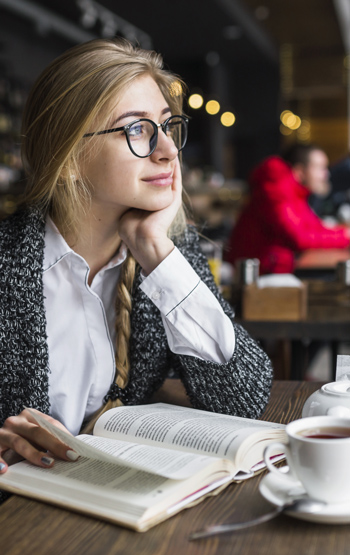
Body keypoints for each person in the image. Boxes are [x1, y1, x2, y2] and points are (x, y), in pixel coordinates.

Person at [0, 39, 273, 488]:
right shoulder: (11, 263)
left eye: (167, 126)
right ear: (68, 158)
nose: (168, 150)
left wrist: (155, 250)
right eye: (137, 130)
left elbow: (243, 397)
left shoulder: (168, 253)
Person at [225, 144, 350, 275]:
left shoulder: (294, 191)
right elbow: (298, 239)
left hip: (275, 268)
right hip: (258, 274)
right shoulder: (277, 188)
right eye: (320, 168)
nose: (326, 174)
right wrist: (345, 236)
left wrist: (344, 234)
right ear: (300, 171)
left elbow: (314, 227)